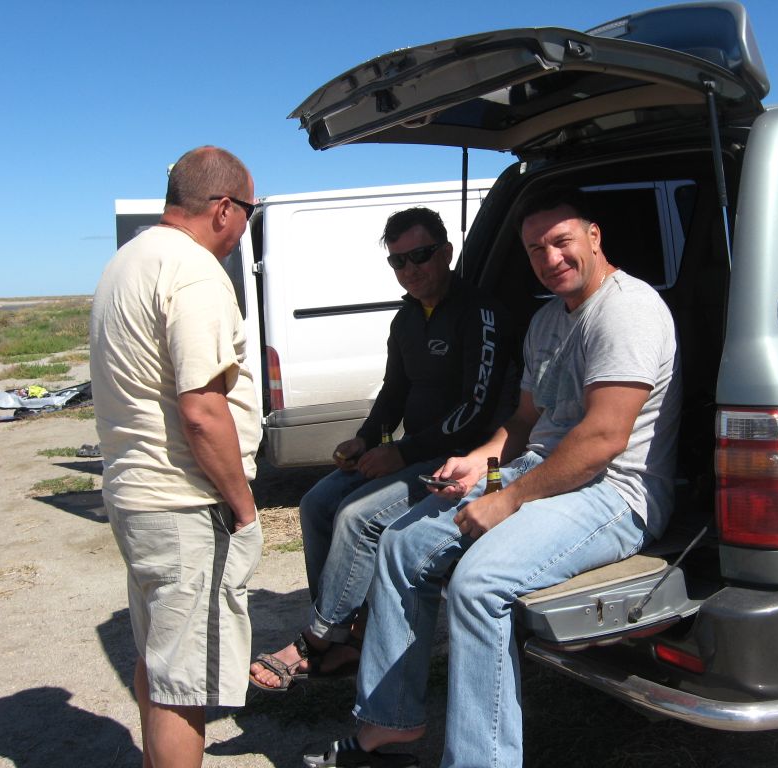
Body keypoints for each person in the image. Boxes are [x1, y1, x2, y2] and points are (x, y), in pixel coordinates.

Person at [305, 187, 682, 768]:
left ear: (594, 236)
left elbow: (602, 439)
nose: (549, 258)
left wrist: (506, 501)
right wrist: (482, 464)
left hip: (611, 493)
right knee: (403, 544)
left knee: (478, 585)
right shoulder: (547, 320)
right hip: (537, 472)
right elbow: (525, 423)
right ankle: (390, 722)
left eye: (561, 242)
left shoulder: (627, 310)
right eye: (535, 249)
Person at [250, 207, 514, 692]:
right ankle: (350, 630)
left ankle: (321, 638)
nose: (410, 269)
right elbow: (393, 392)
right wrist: (367, 438)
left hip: (459, 462)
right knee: (316, 503)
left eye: (421, 255)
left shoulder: (481, 313)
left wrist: (403, 452)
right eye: (398, 261)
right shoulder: (406, 319)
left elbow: (476, 409)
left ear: (446, 253)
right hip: (415, 454)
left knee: (357, 517)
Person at [90, 146, 262, 768]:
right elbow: (202, 410)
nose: (245, 228)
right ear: (224, 209)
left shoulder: (128, 260)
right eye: (249, 212)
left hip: (137, 495)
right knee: (183, 685)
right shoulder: (193, 271)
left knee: (159, 659)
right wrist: (244, 507)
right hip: (184, 503)